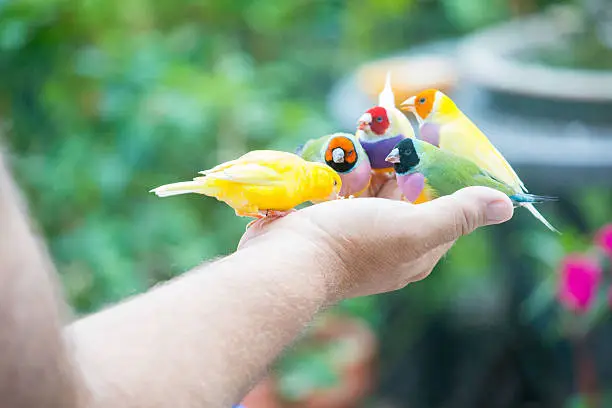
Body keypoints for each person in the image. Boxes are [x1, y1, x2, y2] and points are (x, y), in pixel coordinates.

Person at [0, 151, 513, 408]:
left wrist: (310, 250)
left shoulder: (301, 180)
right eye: (331, 186)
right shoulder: (292, 175)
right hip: (243, 192)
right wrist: (327, 252)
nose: (331, 192)